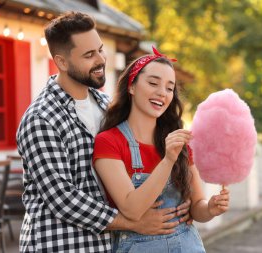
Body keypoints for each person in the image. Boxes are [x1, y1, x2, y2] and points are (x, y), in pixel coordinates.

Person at [16, 11, 191, 253]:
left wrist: (184, 197)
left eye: (100, 49)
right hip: (59, 245)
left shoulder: (105, 104)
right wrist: (134, 222)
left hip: (105, 246)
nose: (100, 59)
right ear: (62, 62)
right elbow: (63, 199)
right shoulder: (41, 118)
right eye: (89, 55)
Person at [93, 46, 230, 252]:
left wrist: (210, 208)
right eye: (153, 83)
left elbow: (196, 207)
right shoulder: (109, 142)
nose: (162, 93)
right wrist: (167, 161)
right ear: (131, 86)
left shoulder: (178, 141)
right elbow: (132, 210)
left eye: (169, 88)